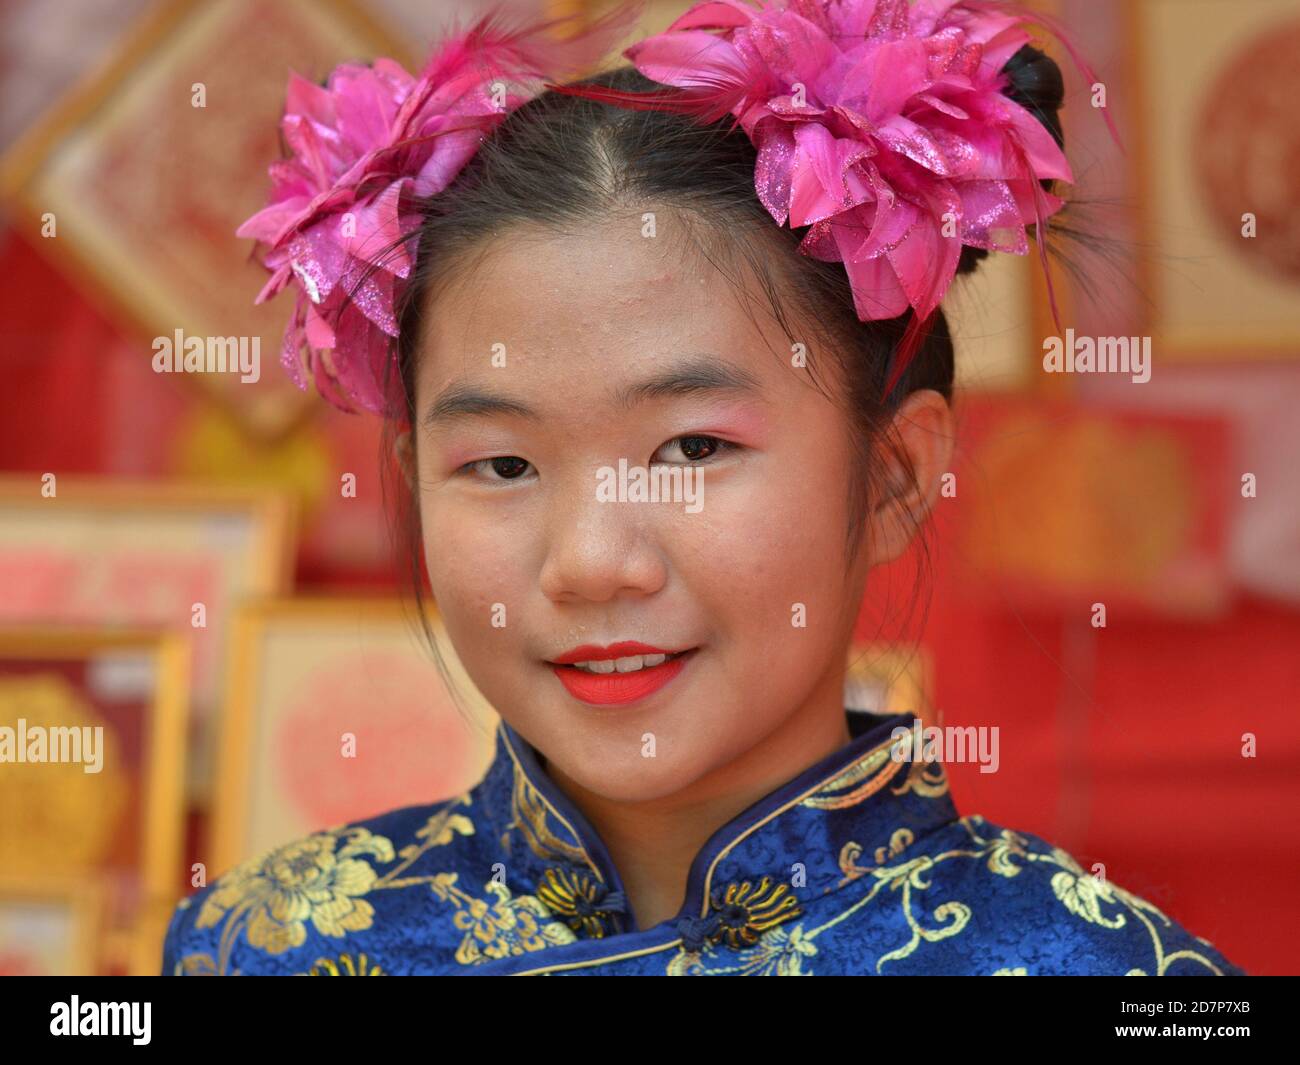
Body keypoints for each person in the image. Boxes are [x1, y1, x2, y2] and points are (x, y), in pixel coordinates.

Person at [162, 0, 1245, 975]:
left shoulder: (1105, 974)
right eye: (501, 465)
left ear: (894, 476)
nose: (589, 562)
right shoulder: (267, 945)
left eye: (691, 449)